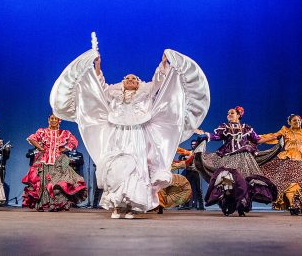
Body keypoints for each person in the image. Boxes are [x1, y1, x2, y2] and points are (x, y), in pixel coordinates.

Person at [50, 35, 210, 219]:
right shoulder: (113, 92)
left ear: (139, 82)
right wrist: (97, 66)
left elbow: (159, 81)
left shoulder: (146, 91)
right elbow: (99, 86)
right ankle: (117, 206)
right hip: (118, 133)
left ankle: (133, 206)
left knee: (136, 167)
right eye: (127, 78)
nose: (130, 79)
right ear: (122, 82)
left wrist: (164, 64)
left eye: (134, 78)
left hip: (137, 134)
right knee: (116, 165)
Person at [21, 114, 87, 211]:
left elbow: (74, 142)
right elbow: (32, 138)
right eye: (51, 119)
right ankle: (45, 204)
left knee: (57, 184)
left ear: (59, 121)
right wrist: (40, 147)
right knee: (44, 183)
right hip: (44, 160)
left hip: (58, 162)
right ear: (48, 120)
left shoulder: (64, 133)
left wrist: (63, 148)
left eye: (55, 119)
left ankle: (56, 204)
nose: (53, 121)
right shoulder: (42, 131)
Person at [194, 106, 264, 179]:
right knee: (228, 180)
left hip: (245, 157)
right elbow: (217, 136)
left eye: (232, 113)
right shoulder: (225, 127)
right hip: (229, 156)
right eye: (228, 113)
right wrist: (206, 135)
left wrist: (275, 137)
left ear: (238, 115)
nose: (229, 115)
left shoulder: (246, 128)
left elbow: (257, 140)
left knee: (248, 178)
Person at [258, 114, 302, 214]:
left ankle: (299, 205)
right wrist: (255, 138)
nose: (297, 122)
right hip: (289, 160)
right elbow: (273, 136)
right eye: (294, 120)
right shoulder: (285, 131)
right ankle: (293, 205)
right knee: (294, 181)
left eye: (298, 120)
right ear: (289, 122)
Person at [177, 140, 205, 210]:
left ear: (196, 145)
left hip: (195, 172)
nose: (193, 145)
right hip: (188, 172)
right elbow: (180, 157)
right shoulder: (188, 152)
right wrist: (184, 159)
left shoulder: (199, 153)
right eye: (192, 144)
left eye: (194, 144)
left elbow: (203, 161)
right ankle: (186, 205)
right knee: (187, 188)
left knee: (198, 189)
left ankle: (201, 206)